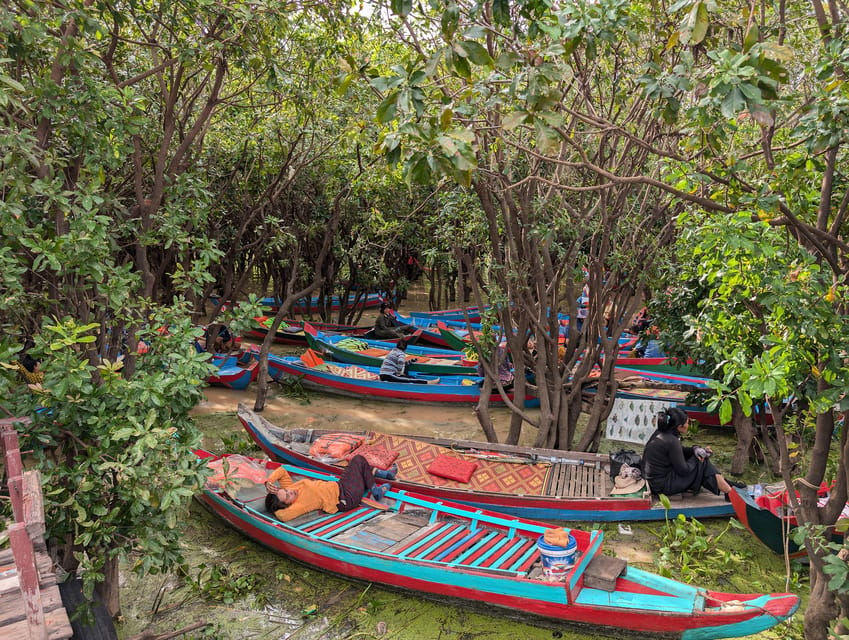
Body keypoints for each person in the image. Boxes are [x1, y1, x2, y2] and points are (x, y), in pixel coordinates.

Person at [642, 407, 743, 497]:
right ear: (679, 426)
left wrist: (695, 449)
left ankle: (727, 486)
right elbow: (684, 470)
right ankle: (729, 491)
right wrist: (698, 457)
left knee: (702, 460)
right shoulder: (671, 441)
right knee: (703, 463)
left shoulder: (662, 433)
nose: (688, 425)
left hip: (655, 481)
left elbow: (679, 452)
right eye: (687, 423)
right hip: (661, 486)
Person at [264, 454, 388, 522]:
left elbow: (282, 470)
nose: (290, 491)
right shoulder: (299, 506)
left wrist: (269, 481)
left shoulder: (291, 488)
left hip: (340, 486)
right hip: (345, 499)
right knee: (359, 460)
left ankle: (381, 476)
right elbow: (282, 516)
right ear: (286, 505)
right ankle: (376, 490)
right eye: (287, 496)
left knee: (355, 462)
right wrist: (274, 509)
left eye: (285, 490)